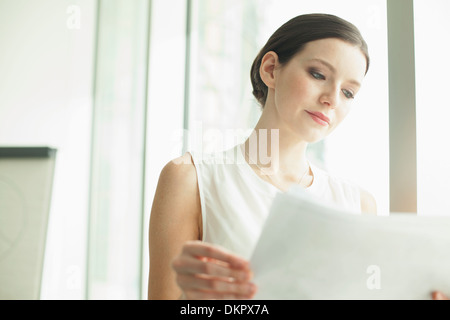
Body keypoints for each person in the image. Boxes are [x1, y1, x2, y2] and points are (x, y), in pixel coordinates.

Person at [147, 13, 448, 300]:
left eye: (348, 92)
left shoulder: (358, 204)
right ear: (270, 69)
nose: (331, 98)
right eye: (319, 74)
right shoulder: (191, 178)